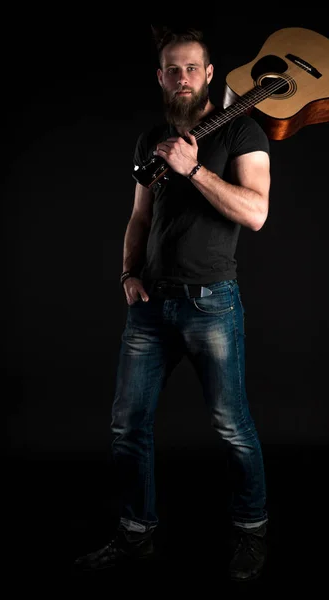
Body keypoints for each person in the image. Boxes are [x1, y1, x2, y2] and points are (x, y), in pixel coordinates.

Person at [74, 25, 271, 582]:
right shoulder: (150, 138)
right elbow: (139, 216)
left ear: (210, 74)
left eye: (192, 68)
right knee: (127, 426)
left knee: (232, 427)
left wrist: (196, 169)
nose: (182, 78)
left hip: (212, 305)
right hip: (149, 308)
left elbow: (256, 212)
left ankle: (252, 530)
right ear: (160, 77)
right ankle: (135, 535)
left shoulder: (244, 131)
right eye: (172, 70)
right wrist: (127, 273)